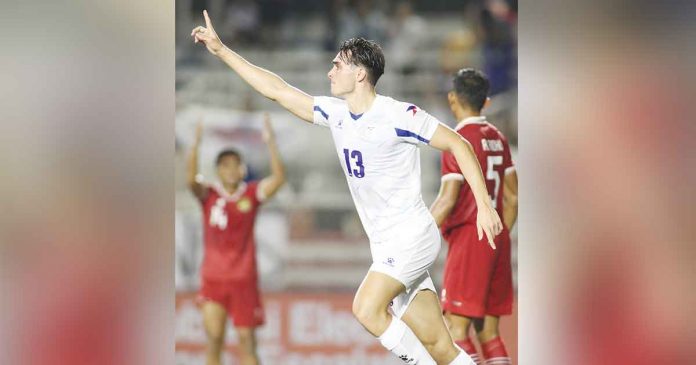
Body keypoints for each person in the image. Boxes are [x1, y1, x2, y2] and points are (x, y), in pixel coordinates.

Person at [191, 11, 502, 365]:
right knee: (441, 347)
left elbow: (460, 145)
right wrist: (222, 51)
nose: (329, 72)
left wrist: (485, 206)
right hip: (386, 243)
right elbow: (277, 90)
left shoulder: (399, 115)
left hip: (410, 236)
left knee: (366, 309)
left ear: (359, 74)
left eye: (337, 65)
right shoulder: (336, 113)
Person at [430, 68, 518, 365]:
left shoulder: (456, 141)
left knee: (456, 328)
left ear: (452, 99)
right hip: (499, 238)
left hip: (470, 237)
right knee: (489, 333)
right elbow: (512, 196)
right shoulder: (499, 139)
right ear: (486, 102)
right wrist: (499, 234)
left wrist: (418, 233)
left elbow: (447, 198)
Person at [187, 114, 285, 365]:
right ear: (218, 170)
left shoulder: (251, 194)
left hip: (244, 280)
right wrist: (195, 146)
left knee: (246, 342)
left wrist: (271, 143)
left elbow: (278, 180)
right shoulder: (208, 194)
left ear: (243, 169)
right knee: (214, 339)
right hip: (213, 279)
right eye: (226, 165)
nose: (231, 170)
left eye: (235, 165)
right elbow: (190, 181)